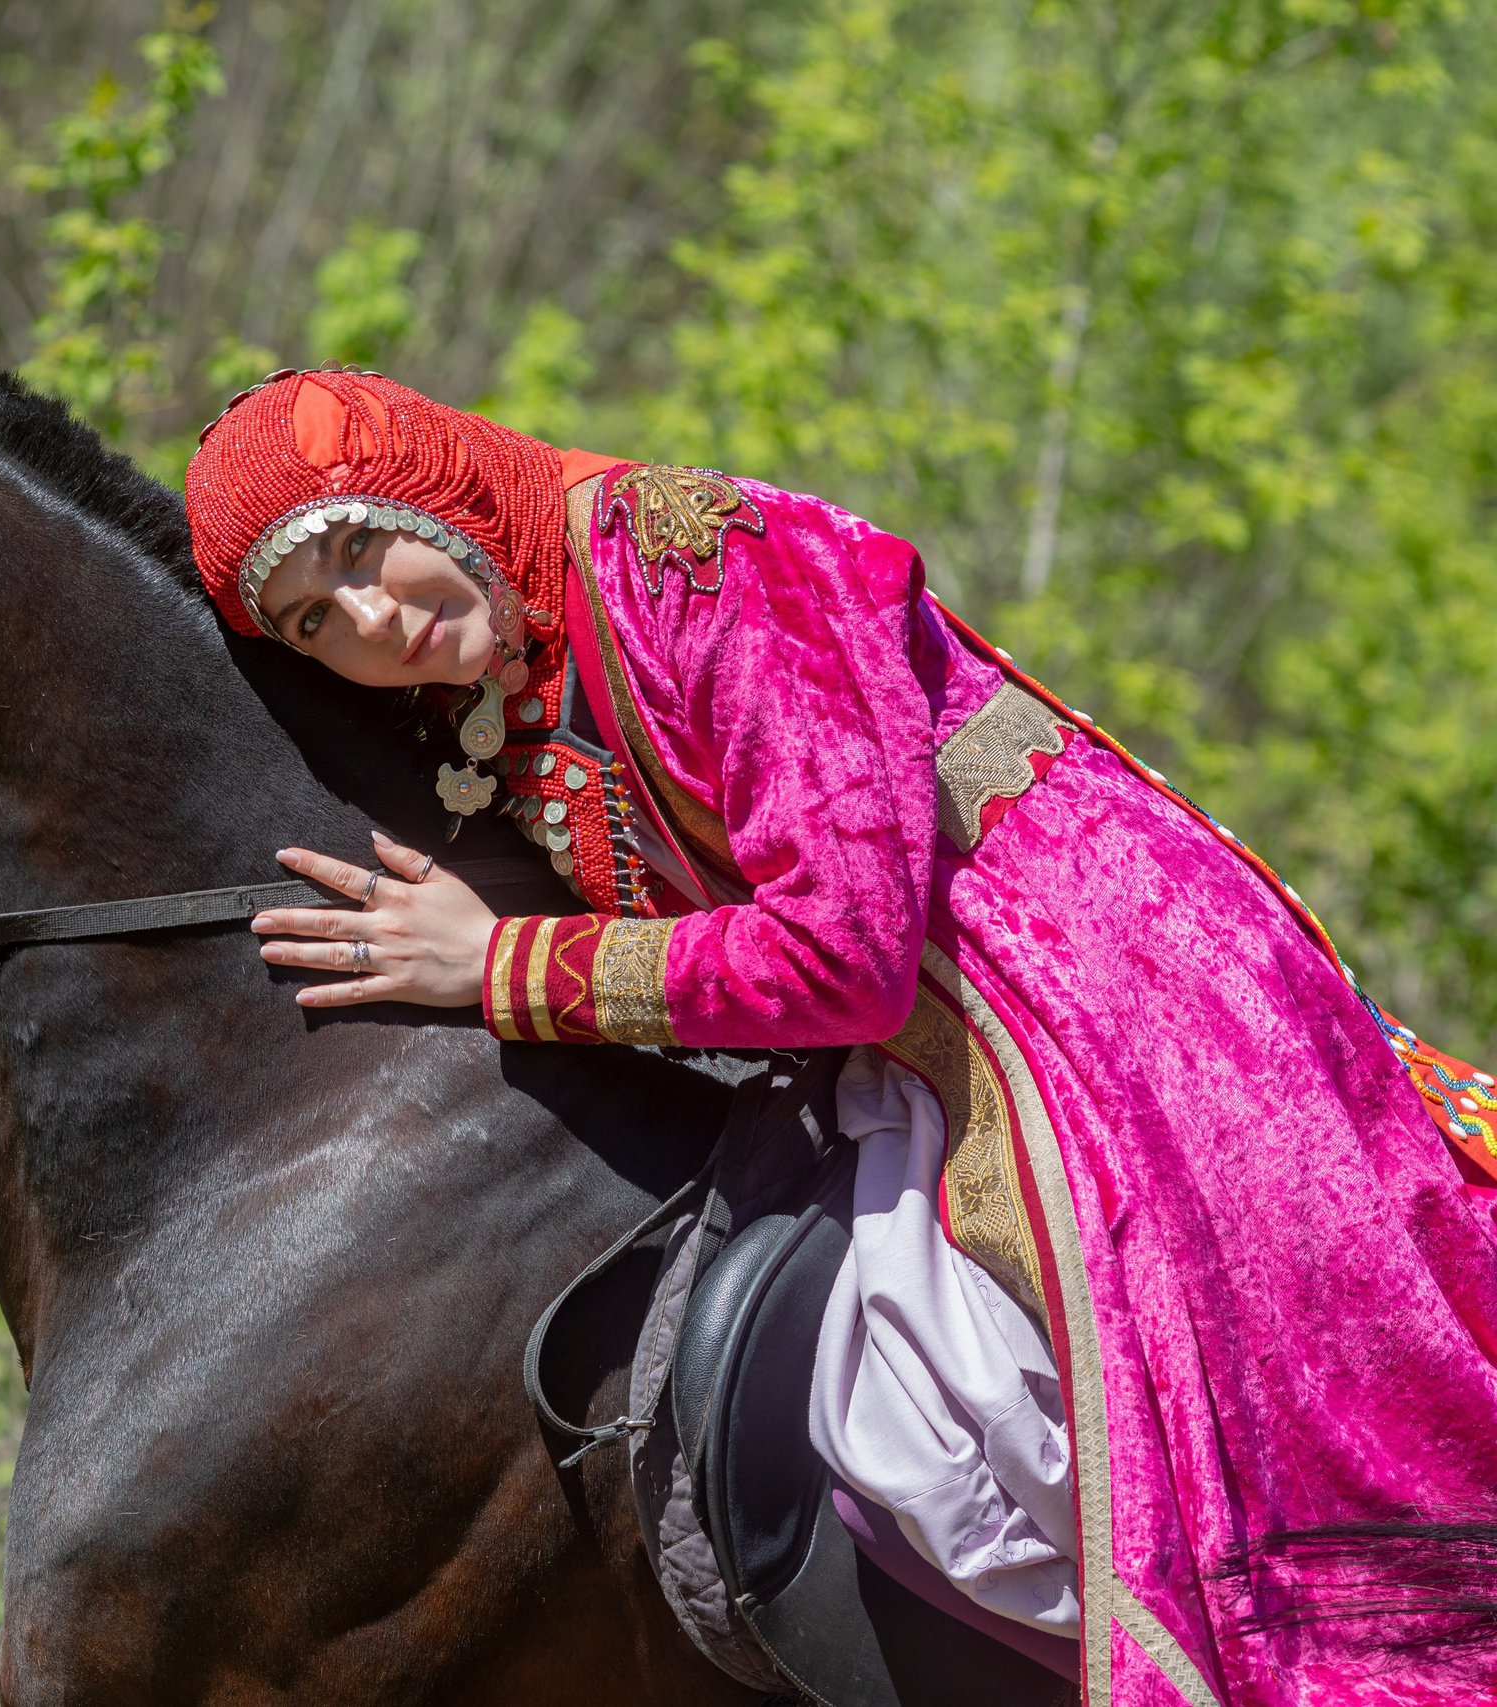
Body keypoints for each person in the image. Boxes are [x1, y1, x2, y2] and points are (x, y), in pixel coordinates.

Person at [184, 366, 1497, 1705]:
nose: (367, 614)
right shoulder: (500, 678)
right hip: (926, 1036)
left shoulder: (683, 563)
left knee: (1198, 1417)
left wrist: (506, 963)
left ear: (430, 483)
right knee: (909, 1435)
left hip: (1112, 983)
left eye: (357, 544)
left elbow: (843, 955)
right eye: (311, 619)